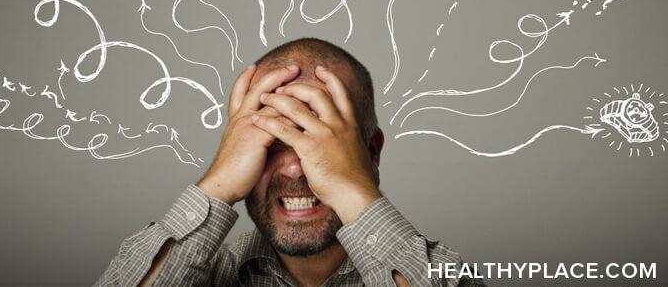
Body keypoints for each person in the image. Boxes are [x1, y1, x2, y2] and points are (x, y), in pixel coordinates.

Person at [96, 38, 482, 286]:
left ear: (372, 152)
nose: (295, 167)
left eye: (320, 136)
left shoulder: (444, 272)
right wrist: (218, 185)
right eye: (271, 139)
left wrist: (350, 190)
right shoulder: (207, 275)